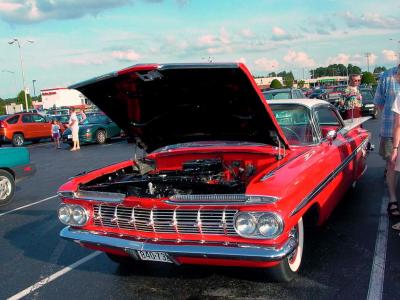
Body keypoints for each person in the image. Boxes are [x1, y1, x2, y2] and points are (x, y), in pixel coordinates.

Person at [375, 64, 400, 218]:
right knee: (392, 163)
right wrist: (394, 112)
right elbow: (378, 102)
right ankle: (393, 199)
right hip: (391, 127)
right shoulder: (387, 76)